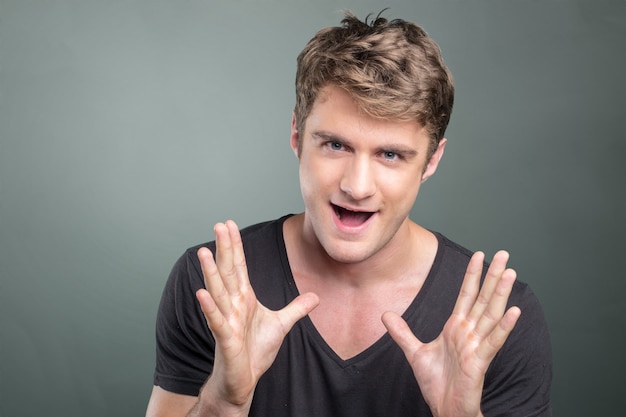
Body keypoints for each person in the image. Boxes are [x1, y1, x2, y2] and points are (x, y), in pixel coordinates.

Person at [145, 11, 552, 417]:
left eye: (390, 155)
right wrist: (224, 400)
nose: (357, 186)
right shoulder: (212, 285)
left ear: (431, 161)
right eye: (336, 145)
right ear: (297, 136)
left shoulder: (496, 319)